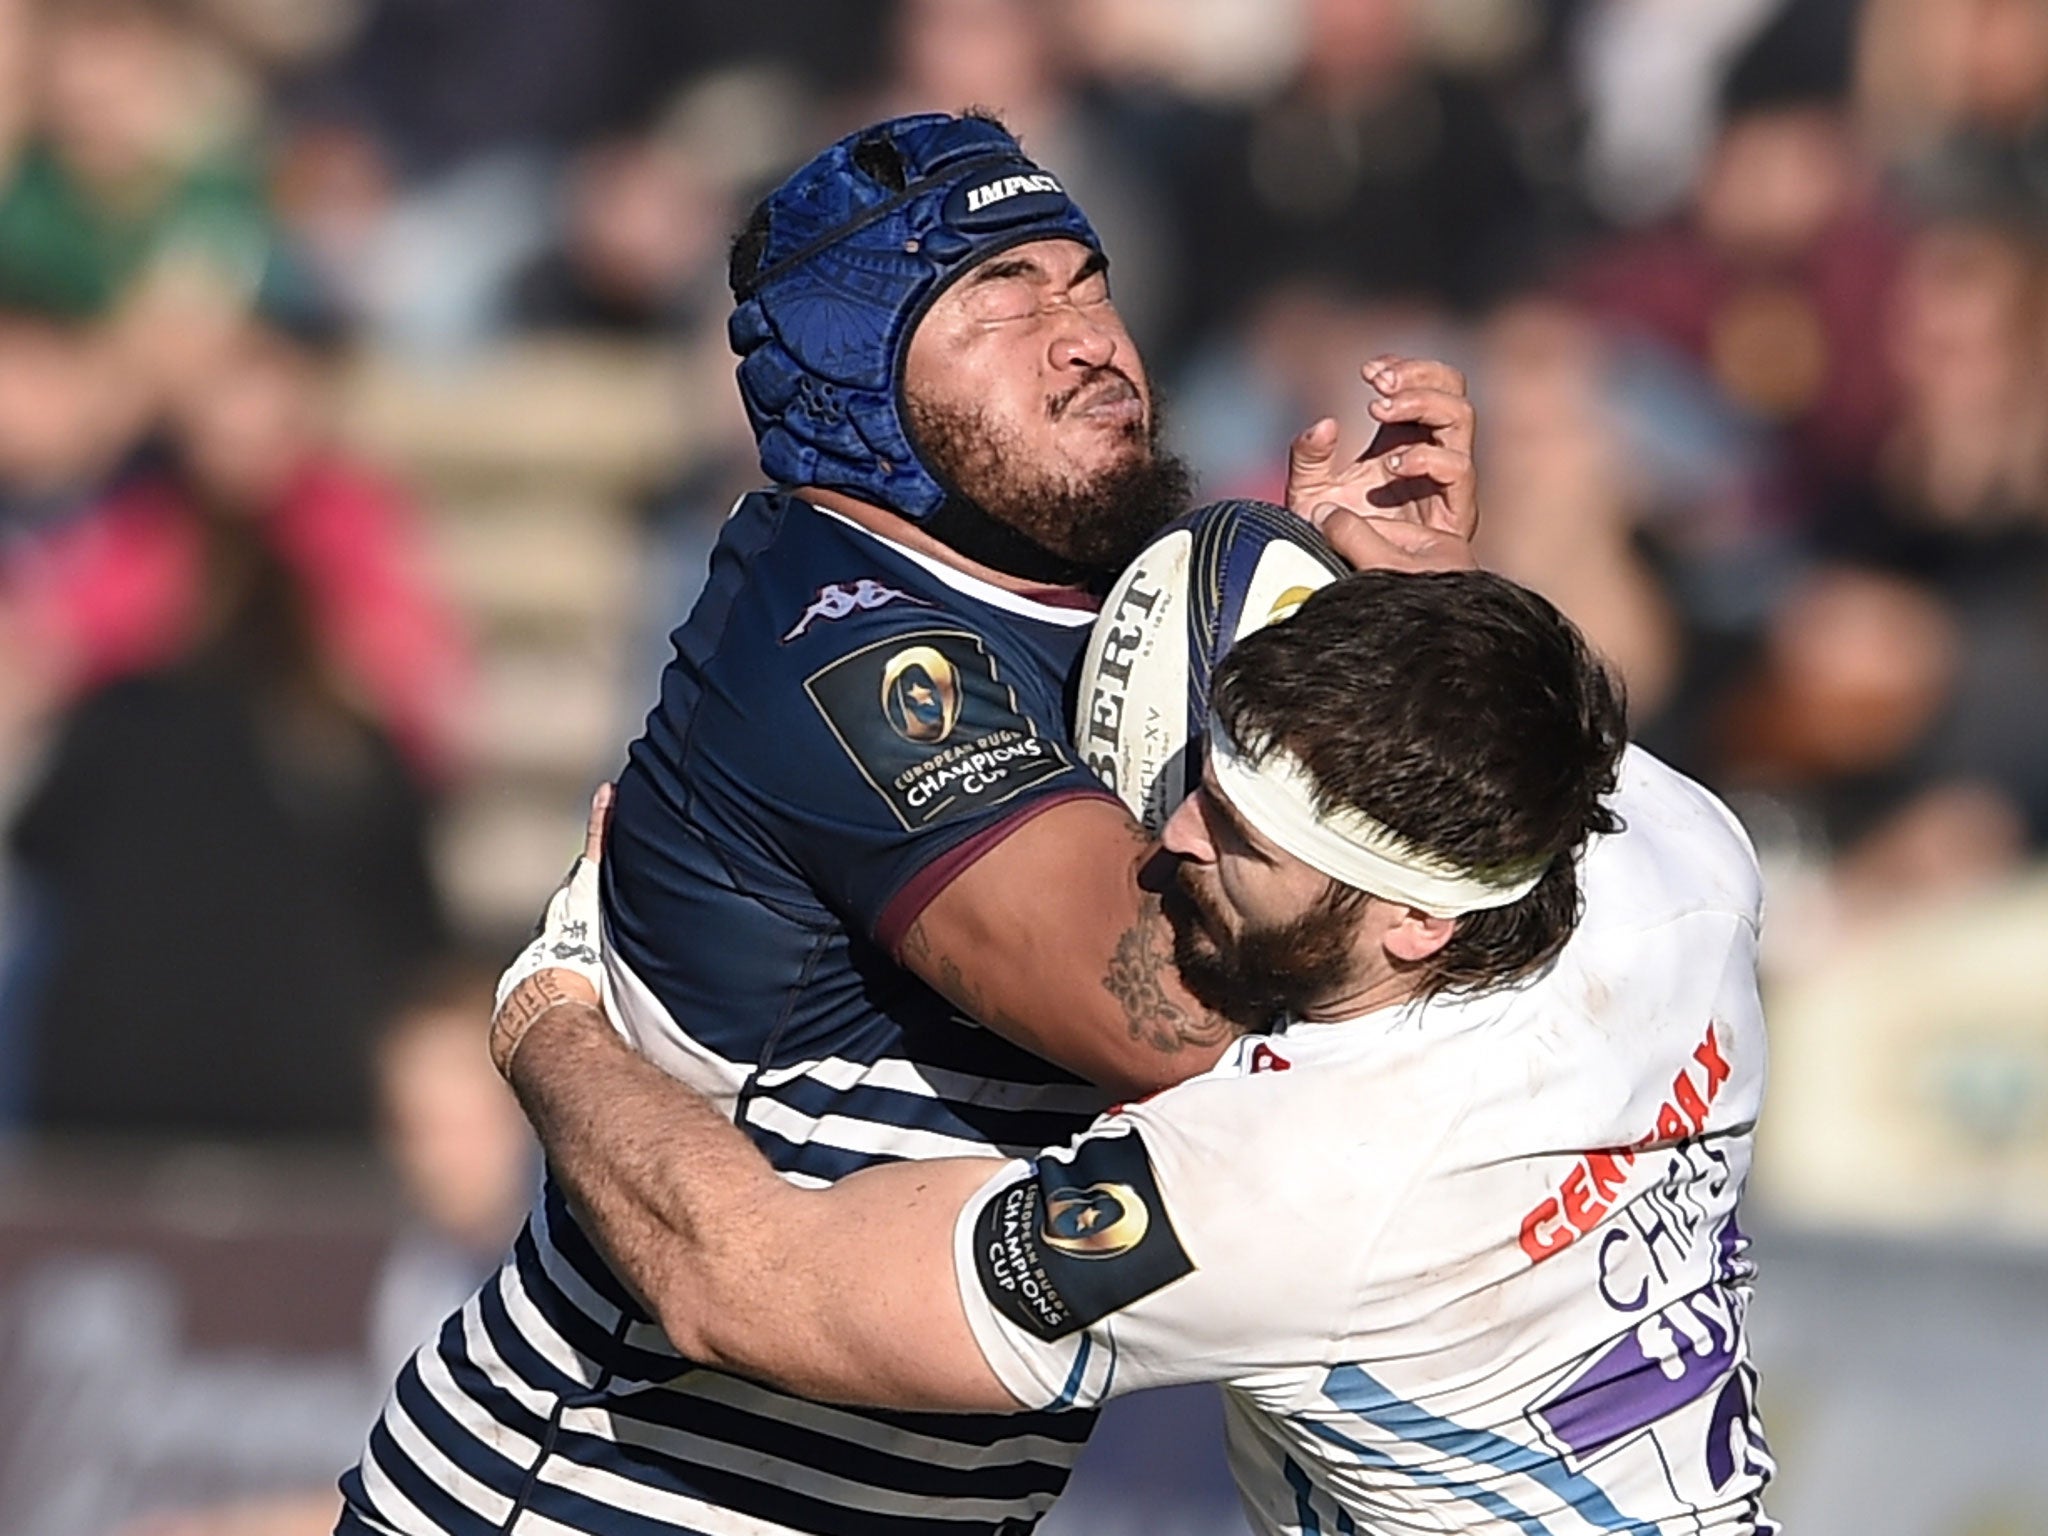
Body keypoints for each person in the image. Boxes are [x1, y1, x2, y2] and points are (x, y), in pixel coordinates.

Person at [338, 109, 1478, 1535]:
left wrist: (1363, 632)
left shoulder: (1117, 608)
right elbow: (1163, 1013)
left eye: (1089, 283)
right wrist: (1324, 706)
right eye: (1001, 298)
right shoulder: (841, 640)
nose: (1086, 336)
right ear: (857, 372)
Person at [494, 570, 1775, 1533]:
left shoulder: (1288, 1184)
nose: (1169, 840)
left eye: (1243, 841)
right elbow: (1507, 721)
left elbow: (745, 1282)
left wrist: (551, 1009)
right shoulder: (1670, 863)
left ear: (1413, 919)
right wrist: (1395, 589)